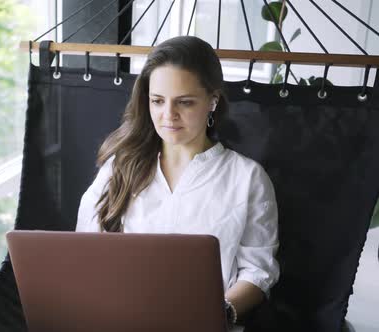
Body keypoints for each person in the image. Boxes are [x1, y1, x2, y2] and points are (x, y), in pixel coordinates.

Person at [75, 35, 280, 330]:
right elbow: (84, 249)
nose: (167, 116)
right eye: (157, 101)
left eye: (184, 102)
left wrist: (221, 314)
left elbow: (258, 271)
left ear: (213, 100)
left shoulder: (247, 179)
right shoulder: (119, 167)